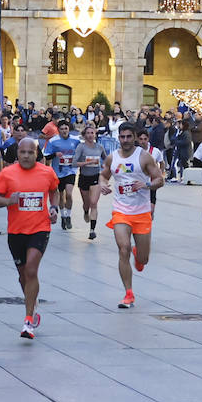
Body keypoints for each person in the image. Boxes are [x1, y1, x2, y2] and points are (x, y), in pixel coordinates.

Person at [0, 138, 60, 338]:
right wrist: (8, 200)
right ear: (17, 153)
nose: (27, 156)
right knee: (23, 276)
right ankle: (33, 304)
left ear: (36, 153)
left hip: (40, 228)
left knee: (31, 269)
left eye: (31, 152)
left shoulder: (47, 172)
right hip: (16, 232)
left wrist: (54, 208)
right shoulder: (7, 173)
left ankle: (28, 320)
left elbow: (54, 191)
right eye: (23, 152)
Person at [101, 122, 164, 309]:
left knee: (143, 259)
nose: (126, 140)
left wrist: (146, 185)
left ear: (135, 137)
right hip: (121, 211)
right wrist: (103, 184)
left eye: (129, 137)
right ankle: (128, 293)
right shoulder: (112, 158)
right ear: (118, 138)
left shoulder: (144, 157)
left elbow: (160, 179)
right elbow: (103, 175)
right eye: (122, 137)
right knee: (123, 249)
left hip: (142, 212)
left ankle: (139, 255)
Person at [72, 122, 107, 240]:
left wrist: (105, 167)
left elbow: (106, 160)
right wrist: (87, 163)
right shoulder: (81, 147)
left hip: (96, 177)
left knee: (94, 203)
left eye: (92, 133)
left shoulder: (99, 147)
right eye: (88, 133)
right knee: (87, 203)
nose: (90, 135)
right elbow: (74, 163)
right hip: (84, 178)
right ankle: (86, 211)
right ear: (84, 135)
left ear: (95, 134)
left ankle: (92, 230)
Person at [43, 119, 79, 231]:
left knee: (69, 193)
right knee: (60, 195)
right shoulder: (53, 141)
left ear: (69, 129)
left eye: (66, 129)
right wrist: (55, 154)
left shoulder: (76, 140)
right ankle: (63, 216)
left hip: (71, 170)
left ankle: (68, 216)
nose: (64, 131)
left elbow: (81, 152)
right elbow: (47, 156)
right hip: (57, 172)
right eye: (62, 129)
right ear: (58, 130)